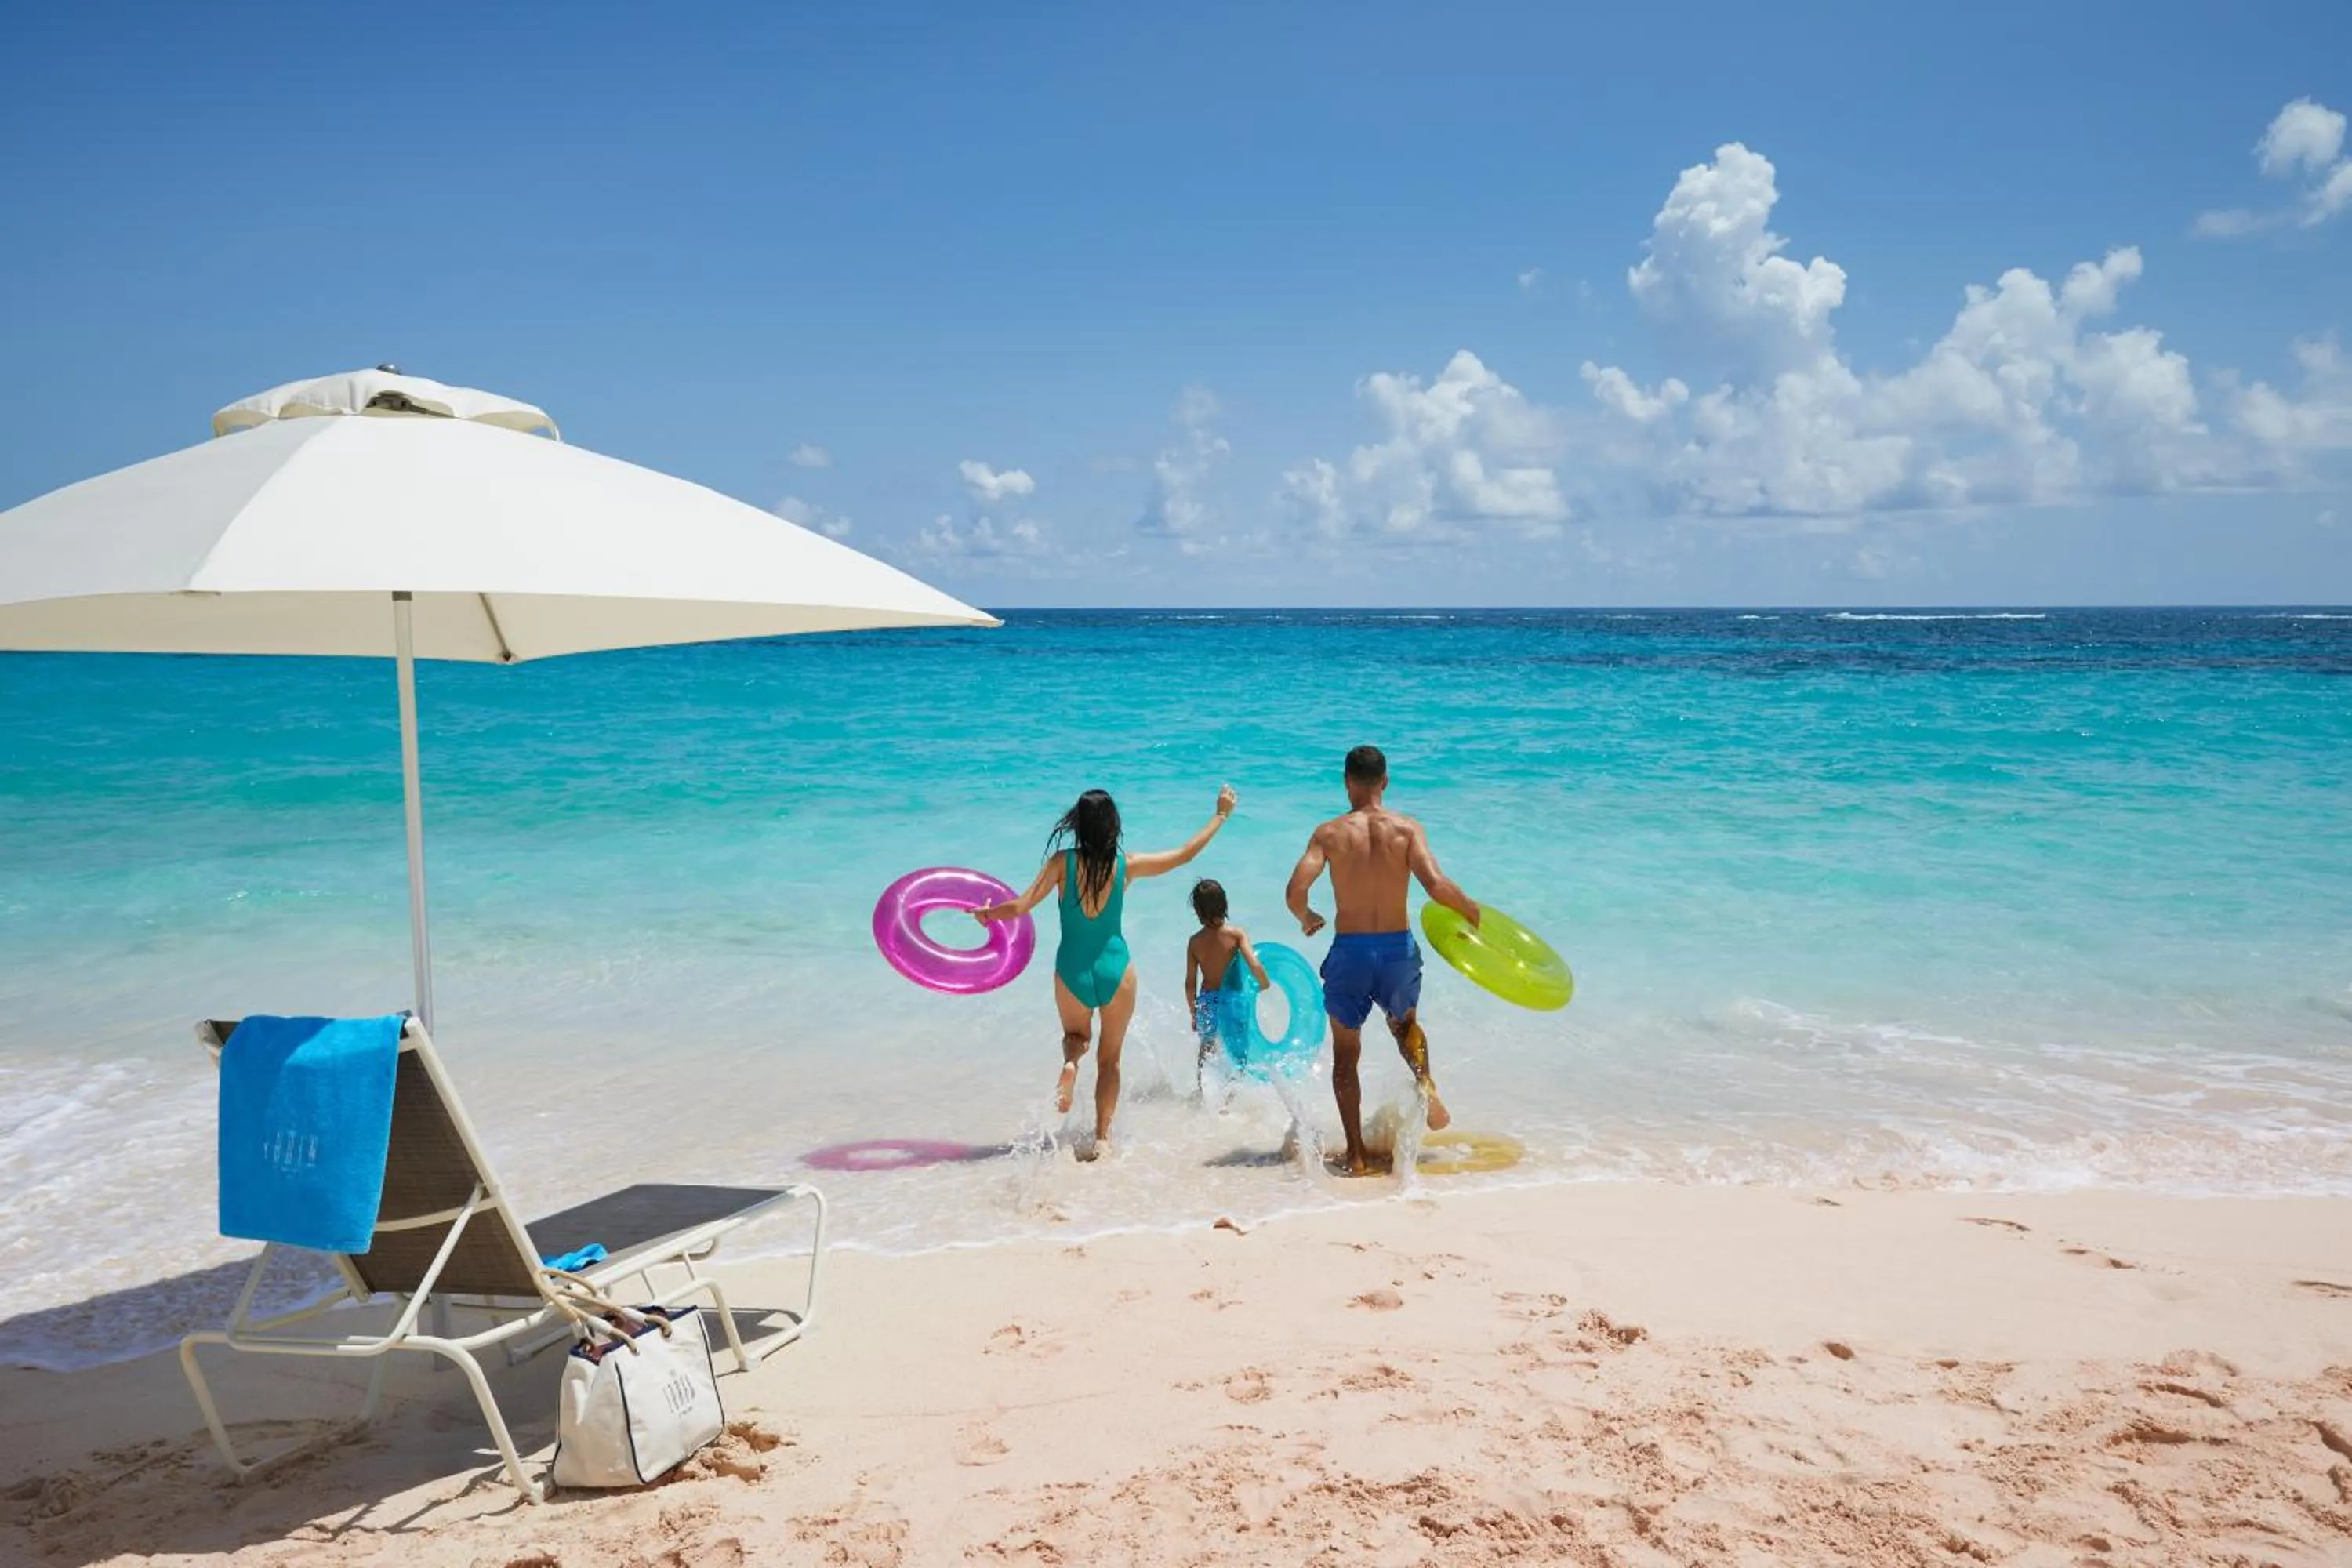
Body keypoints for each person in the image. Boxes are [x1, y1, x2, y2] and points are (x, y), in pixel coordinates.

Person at [975, 784, 1237, 1154]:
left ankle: (1069, 1064)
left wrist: (988, 914)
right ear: (1113, 824)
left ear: (1078, 825)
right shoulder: (1125, 865)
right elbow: (1183, 855)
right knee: (1110, 1060)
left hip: (1071, 970)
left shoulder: (1061, 864)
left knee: (1076, 1037)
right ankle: (1102, 1139)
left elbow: (1020, 907)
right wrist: (1221, 814)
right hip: (1116, 971)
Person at [1283, 745, 1480, 1176]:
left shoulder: (1329, 833)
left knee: (1345, 1056)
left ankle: (1355, 1155)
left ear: (1346, 781)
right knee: (1405, 1026)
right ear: (1386, 782)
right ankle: (1425, 1083)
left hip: (1350, 951)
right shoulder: (1406, 830)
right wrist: (1472, 912)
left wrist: (1308, 917)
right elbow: (1435, 884)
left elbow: (1295, 891)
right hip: (1396, 950)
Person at [1183, 877, 1271, 1091]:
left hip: (1208, 1000)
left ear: (1197, 911)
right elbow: (1254, 963)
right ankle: (1229, 1101)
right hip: (1233, 1000)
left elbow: (1189, 984)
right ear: (1225, 904)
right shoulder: (1236, 935)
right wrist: (1264, 983)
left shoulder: (1195, 942)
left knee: (1207, 1048)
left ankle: (1203, 1092)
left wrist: (1194, 1012)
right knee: (1238, 1052)